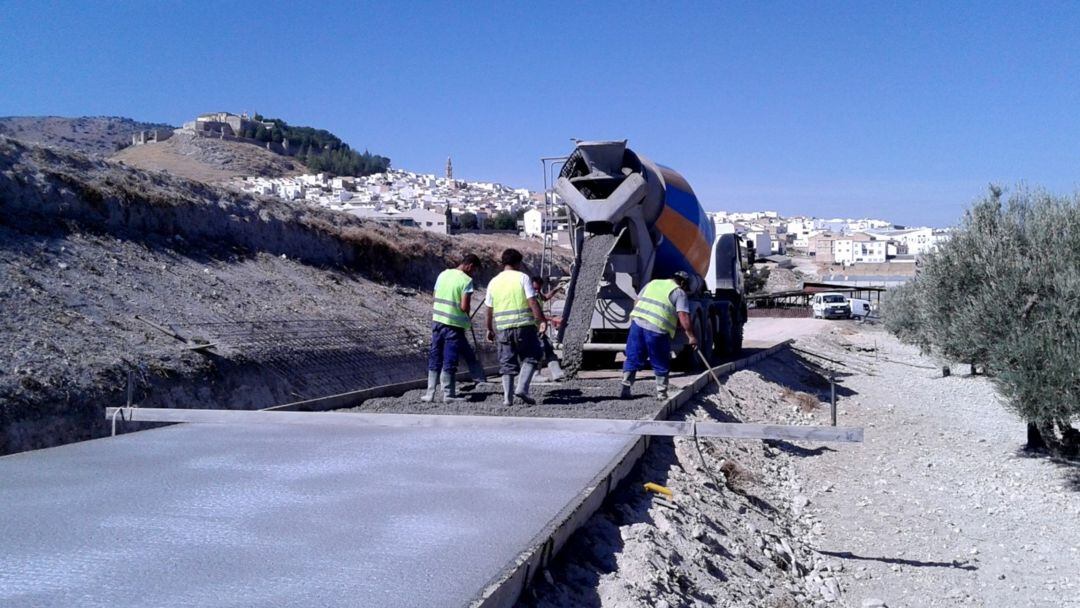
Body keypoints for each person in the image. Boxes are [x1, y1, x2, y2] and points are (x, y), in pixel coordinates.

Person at [619, 271, 699, 401]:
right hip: (657, 329)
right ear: (683, 283)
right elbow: (683, 316)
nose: (685, 290)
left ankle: (625, 388)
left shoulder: (653, 283)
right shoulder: (679, 292)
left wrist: (639, 316)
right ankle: (661, 394)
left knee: (633, 355)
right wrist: (691, 336)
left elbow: (637, 301)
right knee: (660, 359)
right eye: (686, 287)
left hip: (638, 324)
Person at [486, 249, 547, 405]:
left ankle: (508, 398)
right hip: (524, 326)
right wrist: (541, 320)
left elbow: (489, 309)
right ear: (518, 263)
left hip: (502, 328)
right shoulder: (522, 277)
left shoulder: (493, 281)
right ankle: (522, 388)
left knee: (506, 363)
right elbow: (532, 301)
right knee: (532, 355)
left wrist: (489, 329)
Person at [422, 253, 481, 403]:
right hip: (453, 326)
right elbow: (464, 306)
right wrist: (467, 314)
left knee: (435, 356)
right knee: (450, 358)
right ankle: (448, 394)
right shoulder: (467, 281)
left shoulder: (443, 274)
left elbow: (434, 296)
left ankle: (430, 394)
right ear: (469, 266)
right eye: (473, 269)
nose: (473, 272)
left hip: (437, 321)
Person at [530, 276, 565, 381]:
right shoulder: (528, 298)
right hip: (530, 328)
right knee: (537, 351)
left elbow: (545, 297)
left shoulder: (537, 294)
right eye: (535, 288)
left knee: (548, 347)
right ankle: (534, 375)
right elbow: (534, 314)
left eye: (539, 289)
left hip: (538, 328)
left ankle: (557, 373)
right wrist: (552, 318)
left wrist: (556, 289)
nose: (537, 291)